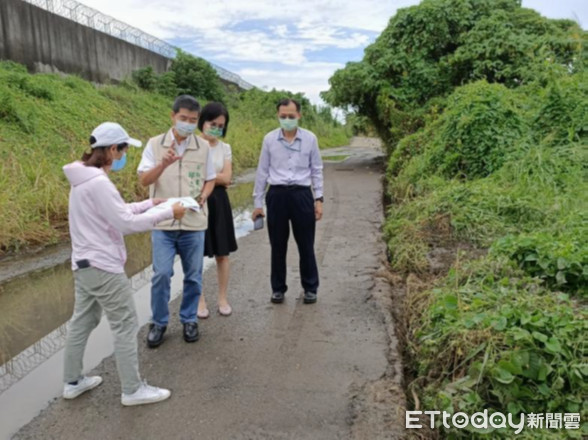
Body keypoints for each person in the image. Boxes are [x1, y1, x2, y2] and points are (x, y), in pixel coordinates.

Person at [62, 122, 186, 406]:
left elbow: (116, 212)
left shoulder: (84, 178)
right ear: (112, 149)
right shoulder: (97, 182)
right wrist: (168, 211)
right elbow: (125, 223)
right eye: (123, 149)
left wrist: (150, 203)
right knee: (125, 322)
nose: (124, 155)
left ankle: (72, 381)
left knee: (84, 319)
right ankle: (132, 390)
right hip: (102, 265)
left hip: (84, 264)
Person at [138, 95, 216, 348]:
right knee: (161, 274)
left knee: (193, 276)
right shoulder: (154, 144)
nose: (188, 124)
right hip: (163, 223)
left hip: (193, 222)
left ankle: (189, 319)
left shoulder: (203, 147)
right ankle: (159, 323)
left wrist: (204, 195)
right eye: (183, 118)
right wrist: (163, 163)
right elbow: (144, 181)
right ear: (172, 116)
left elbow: (210, 179)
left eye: (193, 120)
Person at [252, 98, 324, 305]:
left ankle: (310, 287)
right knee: (277, 245)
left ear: (299, 115)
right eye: (283, 116)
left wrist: (318, 199)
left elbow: (316, 170)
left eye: (291, 116)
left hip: (302, 195)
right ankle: (278, 288)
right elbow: (262, 171)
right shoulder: (269, 140)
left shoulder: (310, 139)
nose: (287, 120)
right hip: (277, 195)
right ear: (278, 116)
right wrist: (258, 204)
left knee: (306, 245)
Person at [196, 102, 238, 318]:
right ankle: (199, 300)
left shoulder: (225, 148)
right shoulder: (191, 145)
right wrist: (216, 178)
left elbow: (228, 178)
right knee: (196, 254)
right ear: (202, 121)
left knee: (223, 254)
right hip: (196, 202)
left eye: (221, 126)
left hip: (219, 203)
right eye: (213, 124)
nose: (216, 128)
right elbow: (189, 178)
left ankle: (222, 298)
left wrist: (206, 176)